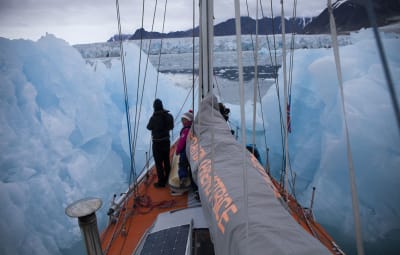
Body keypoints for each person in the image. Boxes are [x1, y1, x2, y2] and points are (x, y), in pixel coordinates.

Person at [147, 99, 174, 188]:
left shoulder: (153, 118)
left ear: (154, 107)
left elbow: (149, 127)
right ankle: (169, 178)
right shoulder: (169, 116)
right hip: (166, 141)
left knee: (158, 163)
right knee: (166, 160)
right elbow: (171, 126)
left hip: (157, 144)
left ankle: (161, 182)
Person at [175, 110, 193, 185]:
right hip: (192, 151)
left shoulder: (185, 130)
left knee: (182, 165)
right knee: (191, 165)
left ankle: (183, 178)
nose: (182, 122)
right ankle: (193, 179)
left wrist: (178, 151)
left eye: (183, 120)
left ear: (187, 121)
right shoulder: (193, 128)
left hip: (184, 152)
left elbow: (182, 142)